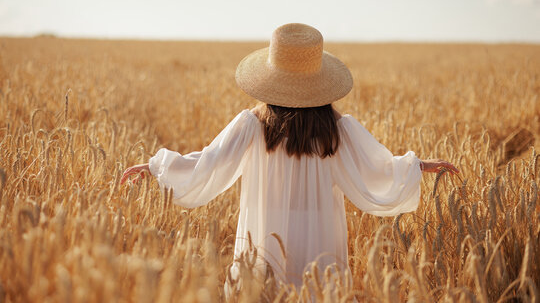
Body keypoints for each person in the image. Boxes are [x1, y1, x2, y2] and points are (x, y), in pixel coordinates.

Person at [121, 23, 459, 291]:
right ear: (320, 83)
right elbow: (378, 168)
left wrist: (156, 167)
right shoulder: (336, 128)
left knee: (267, 290)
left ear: (272, 79)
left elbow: (208, 162)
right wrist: (419, 166)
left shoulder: (253, 124)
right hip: (321, 231)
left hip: (265, 227)